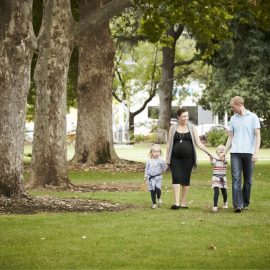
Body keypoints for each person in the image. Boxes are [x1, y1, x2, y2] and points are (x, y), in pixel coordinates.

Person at [166, 108, 213, 209]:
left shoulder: (192, 127)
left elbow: (199, 143)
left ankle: (183, 202)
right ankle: (176, 203)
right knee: (176, 178)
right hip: (175, 158)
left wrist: (208, 153)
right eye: (183, 116)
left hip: (188, 158)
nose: (185, 118)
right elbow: (169, 143)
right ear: (178, 117)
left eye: (187, 116)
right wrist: (167, 158)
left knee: (185, 180)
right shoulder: (173, 128)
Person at [222, 96, 261, 213]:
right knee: (236, 178)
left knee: (248, 180)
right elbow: (230, 137)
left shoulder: (253, 117)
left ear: (239, 105)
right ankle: (237, 205)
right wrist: (224, 152)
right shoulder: (233, 119)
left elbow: (258, 136)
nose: (232, 109)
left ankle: (245, 202)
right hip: (235, 153)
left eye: (233, 106)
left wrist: (256, 152)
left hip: (249, 153)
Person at [144, 144, 167, 209]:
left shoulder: (161, 160)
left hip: (158, 178)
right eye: (155, 152)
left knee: (157, 189)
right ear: (151, 152)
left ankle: (159, 198)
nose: (157, 153)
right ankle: (154, 203)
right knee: (152, 191)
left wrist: (165, 166)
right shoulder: (149, 160)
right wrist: (145, 176)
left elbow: (164, 170)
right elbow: (147, 169)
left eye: (158, 151)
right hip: (150, 178)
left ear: (160, 152)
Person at [210, 145, 228, 213]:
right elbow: (213, 163)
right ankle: (215, 206)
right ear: (216, 151)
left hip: (223, 177)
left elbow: (225, 161)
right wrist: (211, 158)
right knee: (216, 192)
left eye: (223, 149)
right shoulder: (215, 158)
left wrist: (221, 157)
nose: (221, 150)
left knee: (224, 192)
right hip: (215, 177)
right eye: (219, 149)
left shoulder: (225, 158)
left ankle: (225, 203)